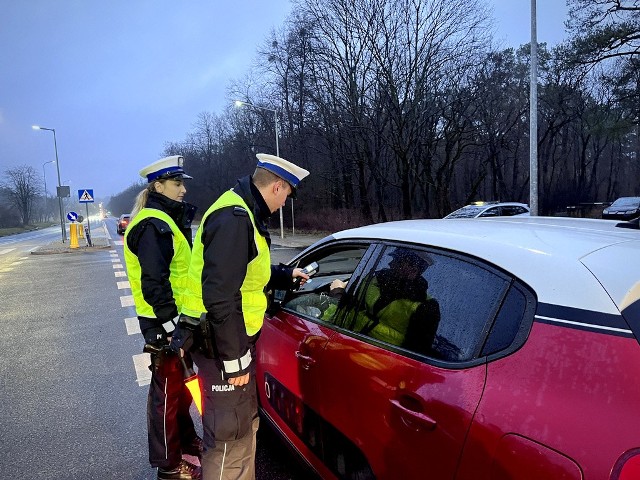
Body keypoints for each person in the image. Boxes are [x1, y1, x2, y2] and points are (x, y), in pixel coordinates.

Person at [171, 153, 310, 480]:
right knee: (228, 439)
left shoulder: (242, 212)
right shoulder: (235, 218)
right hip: (221, 348)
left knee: (244, 430)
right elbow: (221, 295)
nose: (285, 203)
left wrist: (284, 276)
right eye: (287, 195)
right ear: (277, 187)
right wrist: (235, 360)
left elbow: (243, 271)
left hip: (228, 344)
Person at [123, 155, 202, 480]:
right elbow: (153, 285)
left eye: (182, 183)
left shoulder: (164, 221)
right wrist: (173, 329)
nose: (183, 190)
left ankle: (185, 442)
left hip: (176, 321)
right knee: (166, 395)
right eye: (177, 183)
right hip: (164, 325)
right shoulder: (152, 225)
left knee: (179, 389)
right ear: (158, 185)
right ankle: (170, 466)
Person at [330, 249, 440, 353]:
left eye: (398, 261)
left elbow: (415, 353)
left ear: (413, 269)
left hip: (378, 361)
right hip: (344, 343)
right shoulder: (372, 279)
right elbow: (346, 306)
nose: (390, 264)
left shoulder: (427, 307)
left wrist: (337, 294)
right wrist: (341, 291)